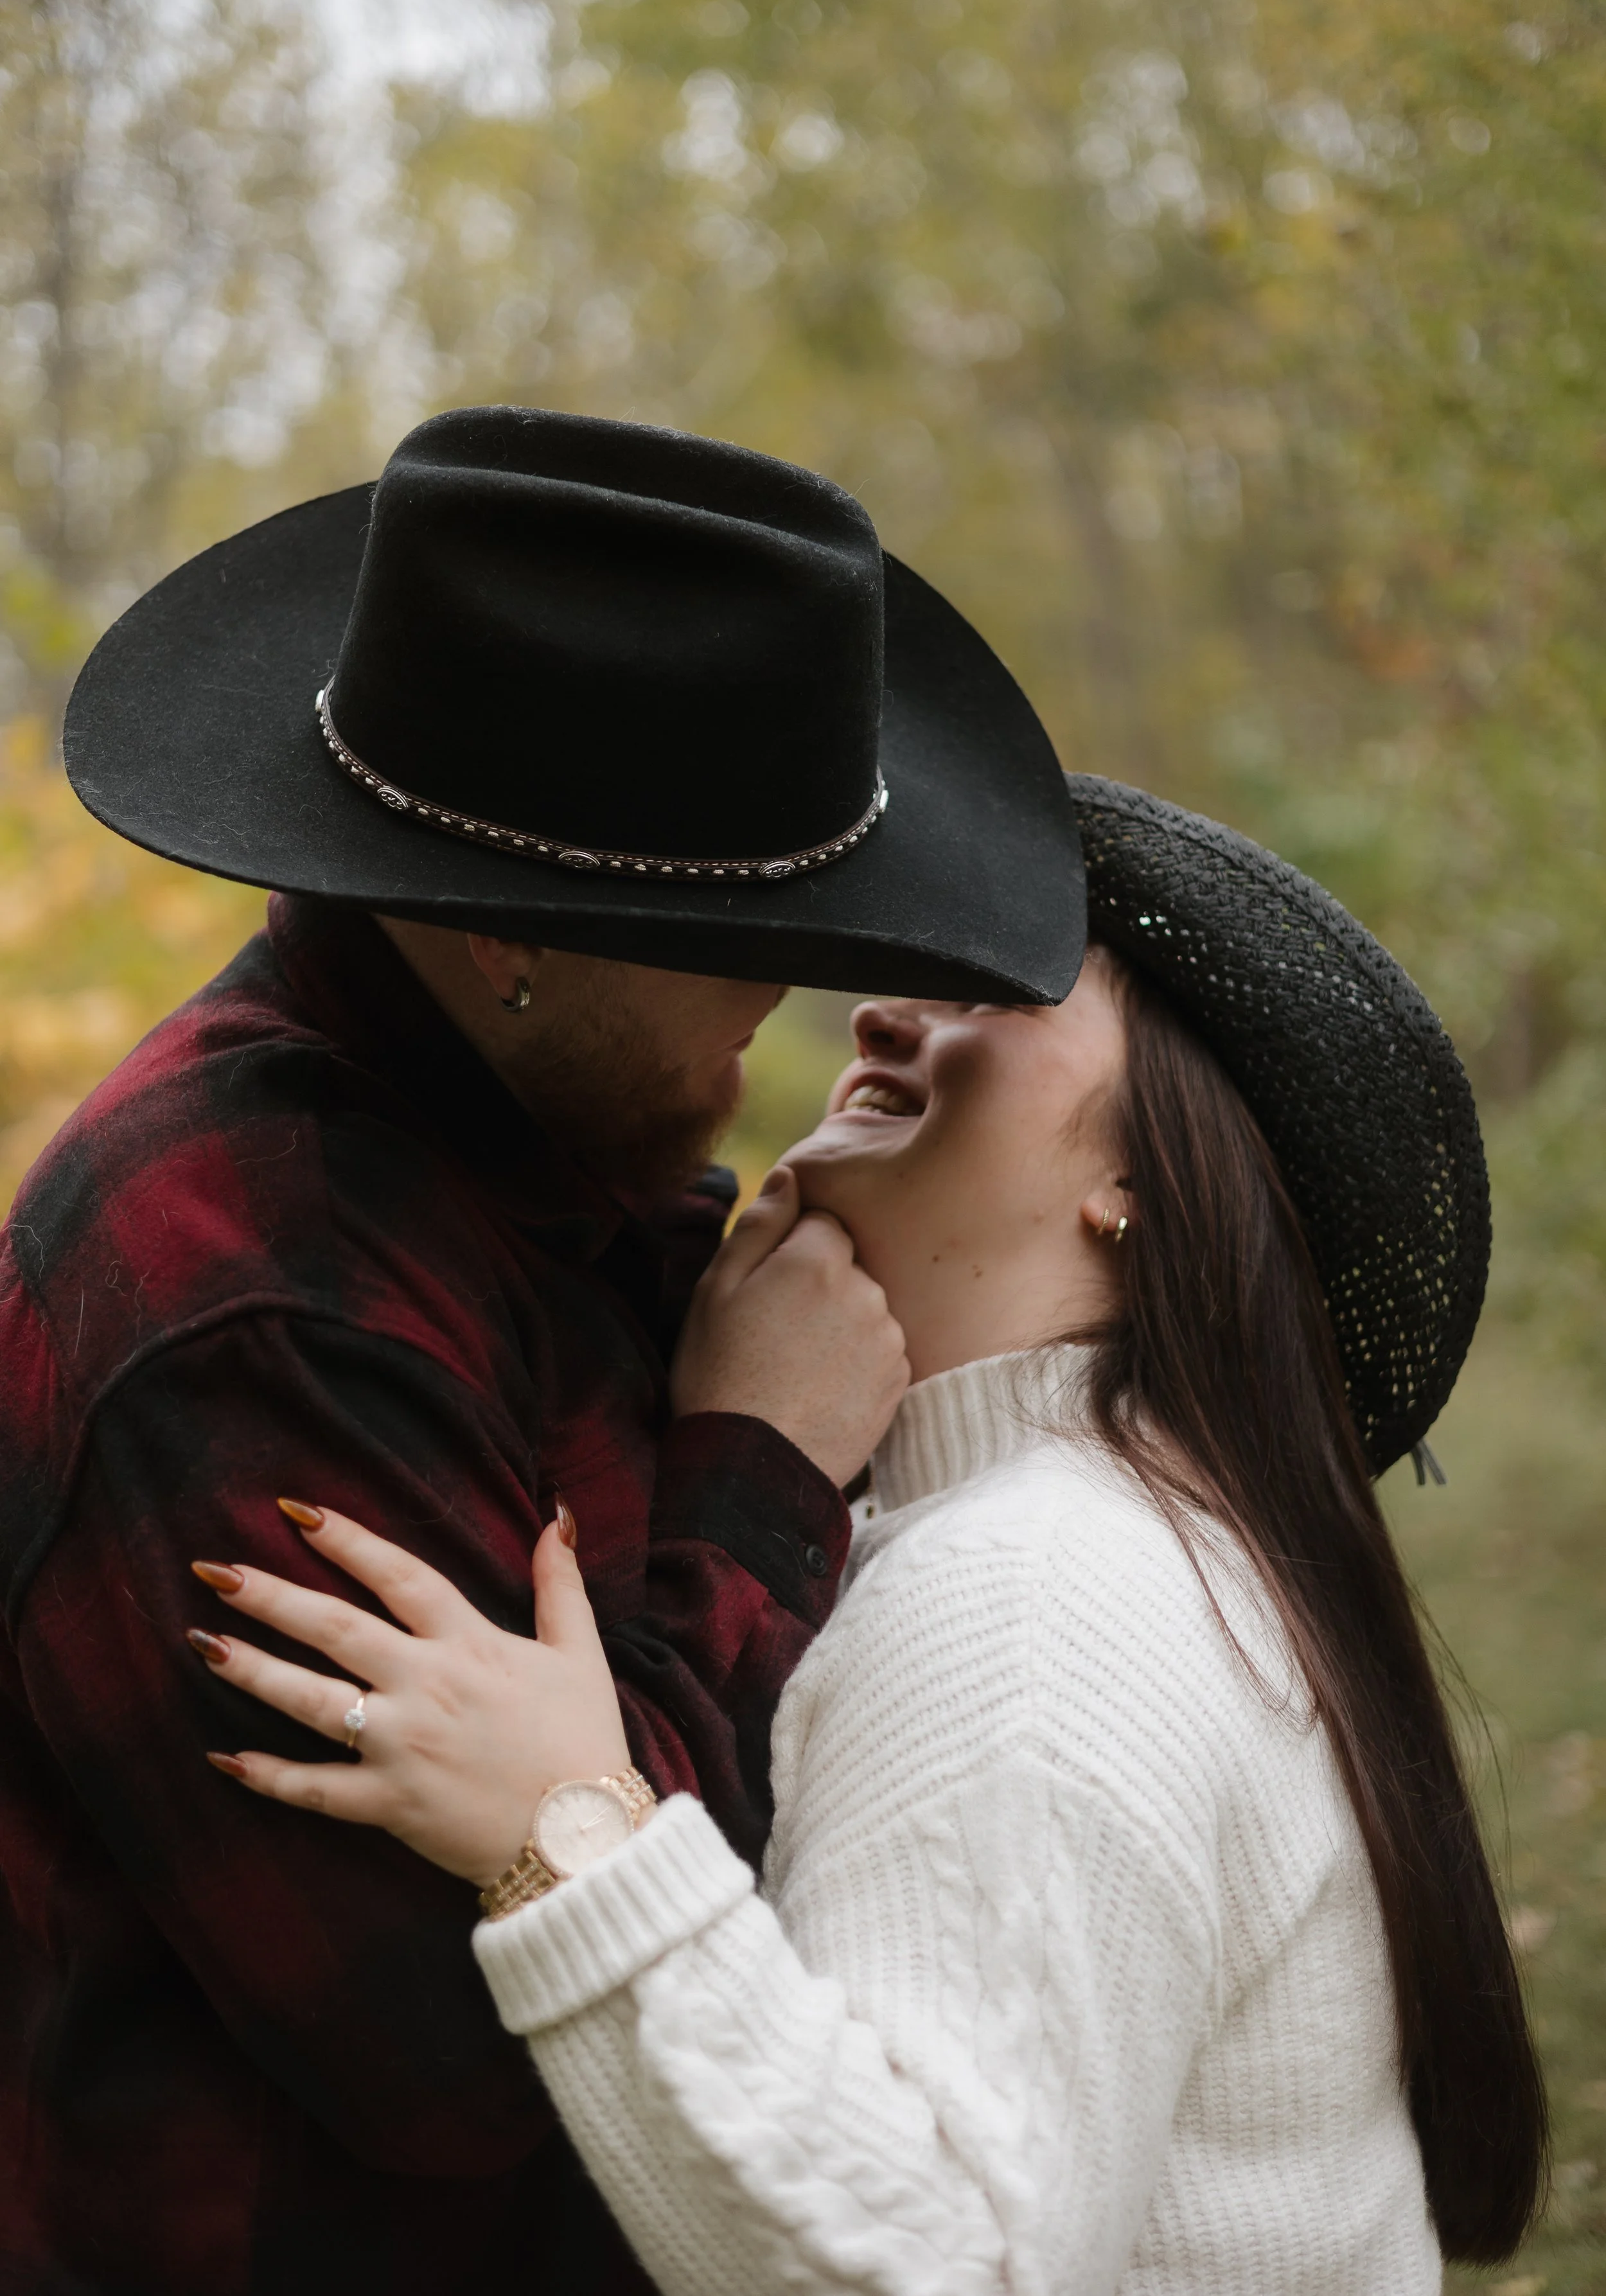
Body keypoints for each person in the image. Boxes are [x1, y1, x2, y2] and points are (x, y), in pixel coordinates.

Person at [199, 775, 1546, 2295]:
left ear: (1139, 1178)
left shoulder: (1031, 1598)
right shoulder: (1096, 1532)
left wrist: (566, 1837)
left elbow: (950, 2264)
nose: (876, 1012)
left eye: (990, 990)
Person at [0, 407, 1084, 2296]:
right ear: (516, 935)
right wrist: (754, 1469)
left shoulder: (527, 1164)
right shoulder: (253, 1302)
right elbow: (466, 2050)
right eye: (732, 930)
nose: (794, 985)